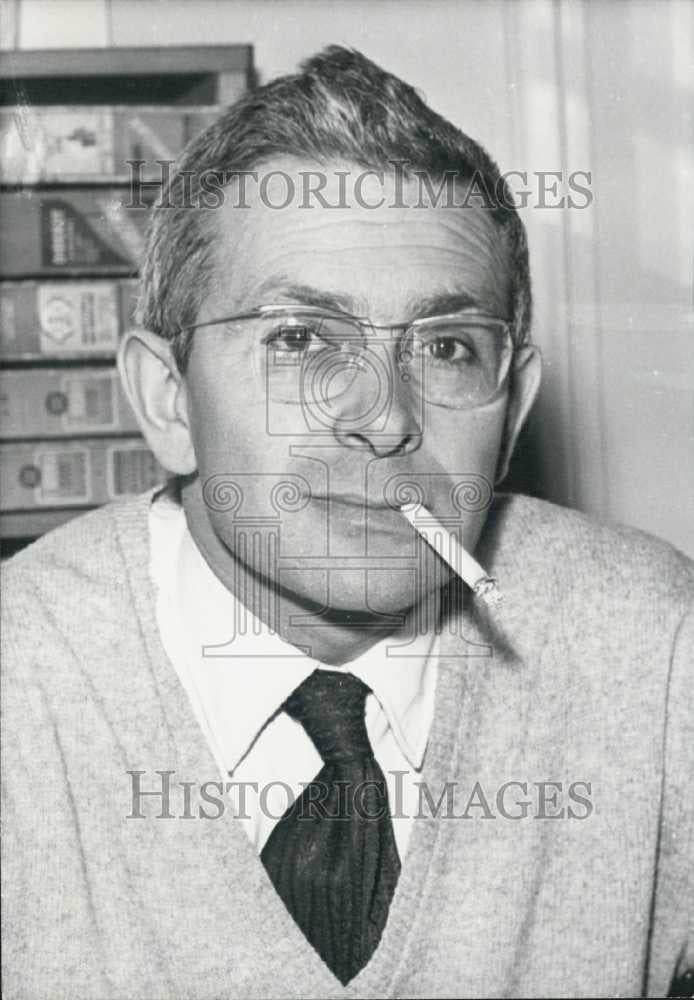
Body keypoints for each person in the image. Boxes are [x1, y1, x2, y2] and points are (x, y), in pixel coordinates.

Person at [2, 46, 692, 1000]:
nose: (386, 416)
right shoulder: (20, 685)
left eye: (447, 347)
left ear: (514, 407)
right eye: (301, 339)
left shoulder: (650, 646)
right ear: (167, 399)